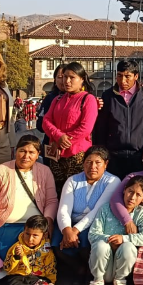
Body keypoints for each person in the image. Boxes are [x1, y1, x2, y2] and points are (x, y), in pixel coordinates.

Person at [0, 134, 59, 277]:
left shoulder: (45, 171)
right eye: (22, 151)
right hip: (6, 226)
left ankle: (27, 278)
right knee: (9, 250)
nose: (26, 156)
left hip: (35, 227)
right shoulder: (0, 171)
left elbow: (51, 200)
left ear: (38, 154)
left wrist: (48, 222)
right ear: (15, 151)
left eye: (31, 152)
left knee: (45, 247)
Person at [54, 146, 120, 285]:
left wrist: (75, 231)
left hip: (96, 223)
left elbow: (98, 210)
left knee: (87, 240)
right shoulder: (72, 180)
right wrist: (67, 230)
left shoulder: (113, 181)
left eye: (98, 162)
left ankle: (91, 271)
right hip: (71, 224)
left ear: (106, 164)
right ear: (83, 163)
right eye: (88, 162)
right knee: (55, 240)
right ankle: (78, 269)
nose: (92, 166)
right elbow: (64, 209)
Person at [85, 176, 143, 285]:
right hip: (103, 265)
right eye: (130, 191)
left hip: (122, 266)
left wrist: (123, 239)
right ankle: (97, 282)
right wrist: (110, 240)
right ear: (124, 190)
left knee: (128, 247)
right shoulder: (106, 208)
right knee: (100, 245)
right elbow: (92, 234)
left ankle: (120, 281)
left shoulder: (142, 212)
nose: (132, 197)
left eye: (138, 195)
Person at [42, 62, 99, 194]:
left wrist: (65, 140)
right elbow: (46, 121)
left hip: (77, 154)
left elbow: (86, 128)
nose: (67, 81)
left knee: (75, 191)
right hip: (56, 153)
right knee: (56, 190)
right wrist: (58, 136)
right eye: (64, 77)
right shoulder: (57, 99)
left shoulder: (88, 99)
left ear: (82, 79)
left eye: (72, 77)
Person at [93, 60, 143, 178]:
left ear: (136, 76)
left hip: (139, 155)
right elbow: (102, 126)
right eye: (119, 75)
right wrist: (102, 151)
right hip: (113, 155)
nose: (122, 80)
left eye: (127, 76)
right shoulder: (108, 96)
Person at [1, 215, 59, 285]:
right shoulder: (17, 247)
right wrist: (16, 257)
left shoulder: (46, 249)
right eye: (27, 234)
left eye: (35, 235)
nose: (30, 239)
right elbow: (7, 268)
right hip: (18, 276)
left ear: (44, 235)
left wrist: (51, 281)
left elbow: (50, 265)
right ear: (24, 231)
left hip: (38, 276)